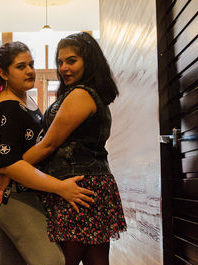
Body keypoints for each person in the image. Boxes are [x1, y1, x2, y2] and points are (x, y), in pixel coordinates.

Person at [0, 41, 94, 265]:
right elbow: (7, 163)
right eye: (21, 66)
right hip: (13, 196)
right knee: (52, 261)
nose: (30, 70)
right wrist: (61, 188)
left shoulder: (25, 100)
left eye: (31, 64)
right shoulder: (6, 107)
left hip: (24, 193)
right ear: (3, 73)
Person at [21, 32, 127, 265]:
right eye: (60, 62)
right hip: (89, 184)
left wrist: (9, 167)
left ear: (88, 63)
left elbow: (48, 144)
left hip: (78, 186)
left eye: (71, 61)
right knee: (95, 259)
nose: (63, 68)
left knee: (62, 260)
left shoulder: (81, 94)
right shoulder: (83, 93)